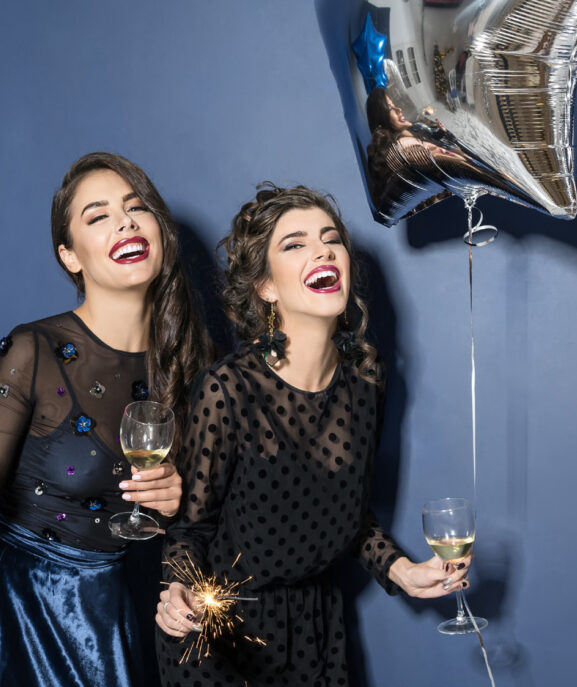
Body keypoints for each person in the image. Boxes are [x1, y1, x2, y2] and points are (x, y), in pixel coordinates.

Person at [0, 152, 212, 686]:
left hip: (111, 616)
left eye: (136, 208)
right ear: (70, 256)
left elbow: (200, 524)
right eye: (98, 215)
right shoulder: (34, 349)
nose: (125, 222)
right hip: (12, 619)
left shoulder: (191, 359)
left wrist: (179, 506)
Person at [154, 184, 468, 686]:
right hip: (220, 635)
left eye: (331, 239)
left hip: (320, 630)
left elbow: (349, 517)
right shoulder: (228, 388)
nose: (322, 249)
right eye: (294, 244)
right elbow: (190, 529)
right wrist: (177, 591)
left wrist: (402, 572)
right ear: (266, 287)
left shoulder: (367, 380)